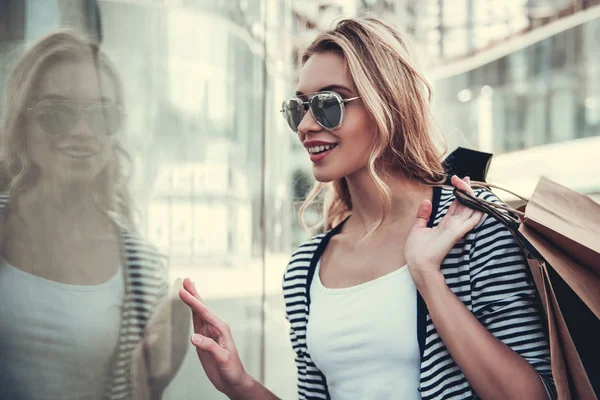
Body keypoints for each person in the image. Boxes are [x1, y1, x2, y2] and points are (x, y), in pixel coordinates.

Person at [178, 17, 556, 400]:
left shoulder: (471, 223)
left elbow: (535, 394)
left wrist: (428, 277)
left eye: (328, 104)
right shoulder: (305, 267)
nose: (305, 125)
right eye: (299, 107)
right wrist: (239, 384)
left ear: (386, 105)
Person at [0, 29, 188, 400]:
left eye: (102, 115)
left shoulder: (141, 267)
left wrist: (154, 378)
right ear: (22, 124)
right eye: (56, 113)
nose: (83, 131)